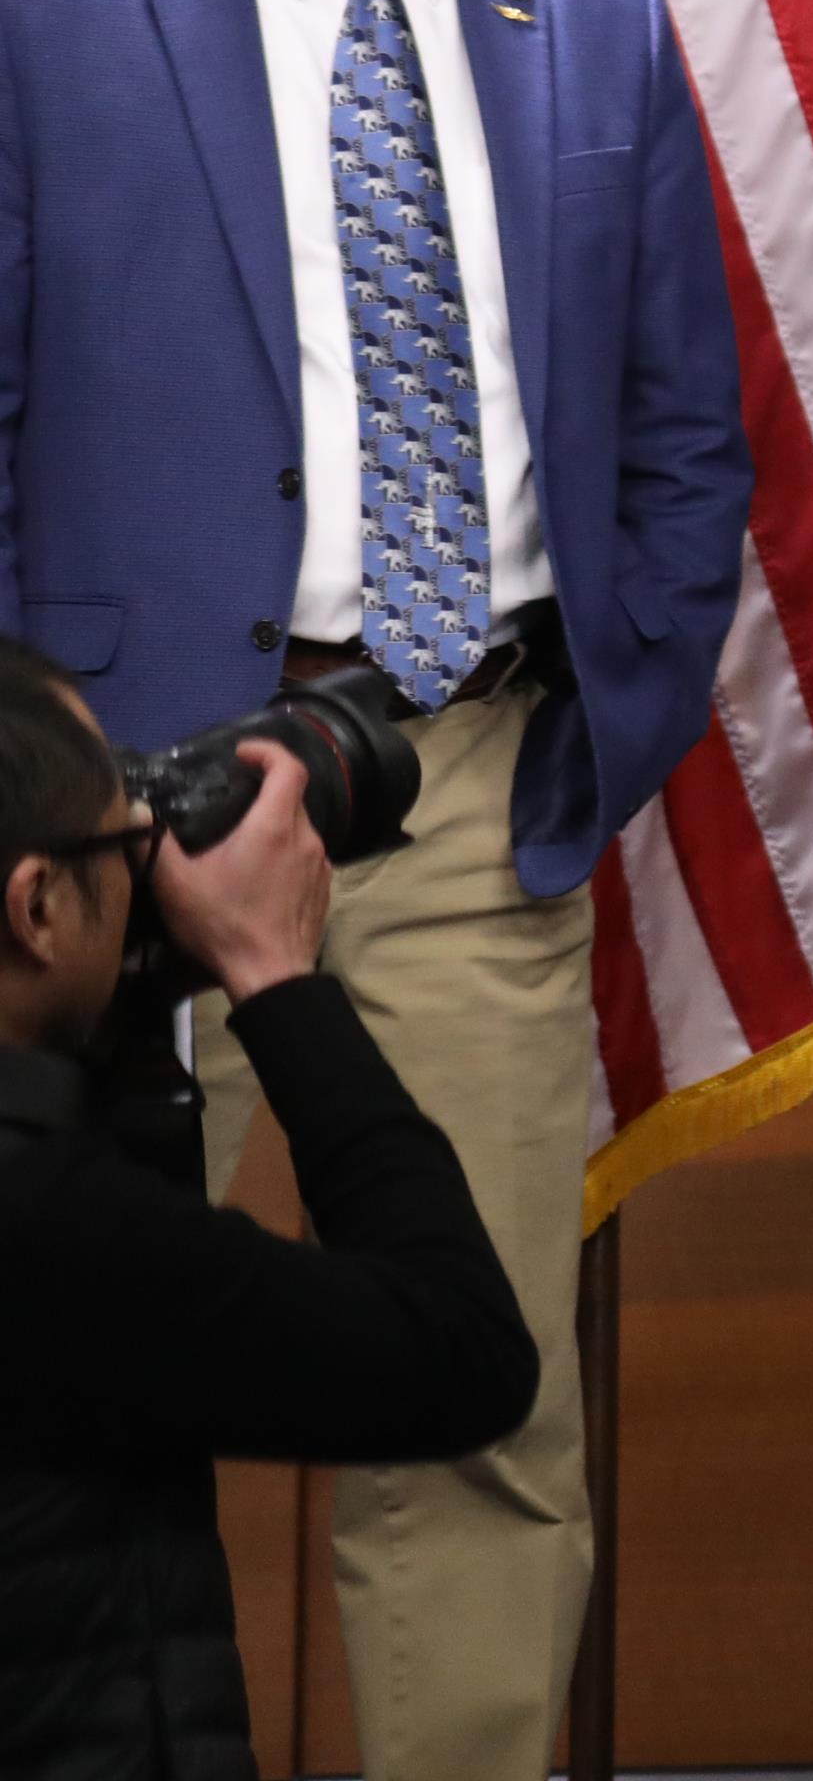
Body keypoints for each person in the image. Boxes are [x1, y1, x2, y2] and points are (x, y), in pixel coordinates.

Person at [0, 0, 749, 1776]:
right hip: (83, 829)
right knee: (54, 1413)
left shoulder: (587, 14)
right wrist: (39, 776)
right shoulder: (45, 5)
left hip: (444, 782)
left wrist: (601, 724)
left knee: (477, 1408)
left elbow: (681, 423)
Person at [0, 640, 542, 1781]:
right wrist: (274, 977)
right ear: (36, 904)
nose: (146, 854)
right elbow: (462, 1351)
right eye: (122, 828)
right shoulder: (60, 1230)